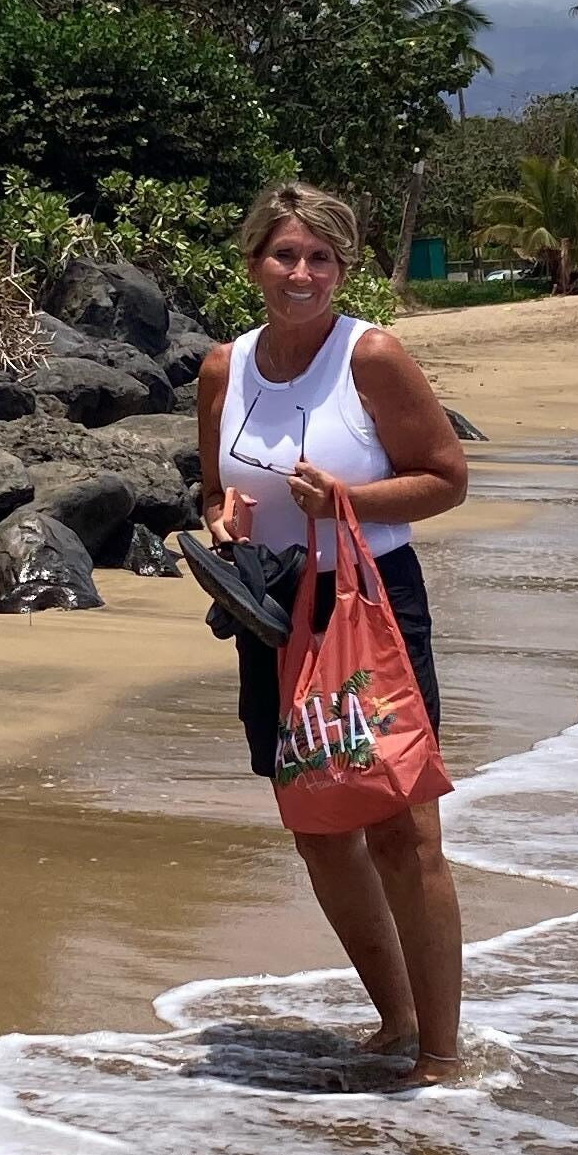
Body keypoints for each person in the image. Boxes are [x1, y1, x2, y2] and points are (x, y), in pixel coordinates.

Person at [195, 183, 471, 1085]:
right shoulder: (222, 369)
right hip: (272, 610)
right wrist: (224, 519)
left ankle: (439, 1052)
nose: (301, 274)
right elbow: (214, 490)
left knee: (401, 826)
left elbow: (445, 477)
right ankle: (392, 1021)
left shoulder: (373, 356)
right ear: (254, 265)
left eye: (320, 258)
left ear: (343, 269)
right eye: (284, 256)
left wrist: (347, 498)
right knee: (317, 822)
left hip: (370, 601)